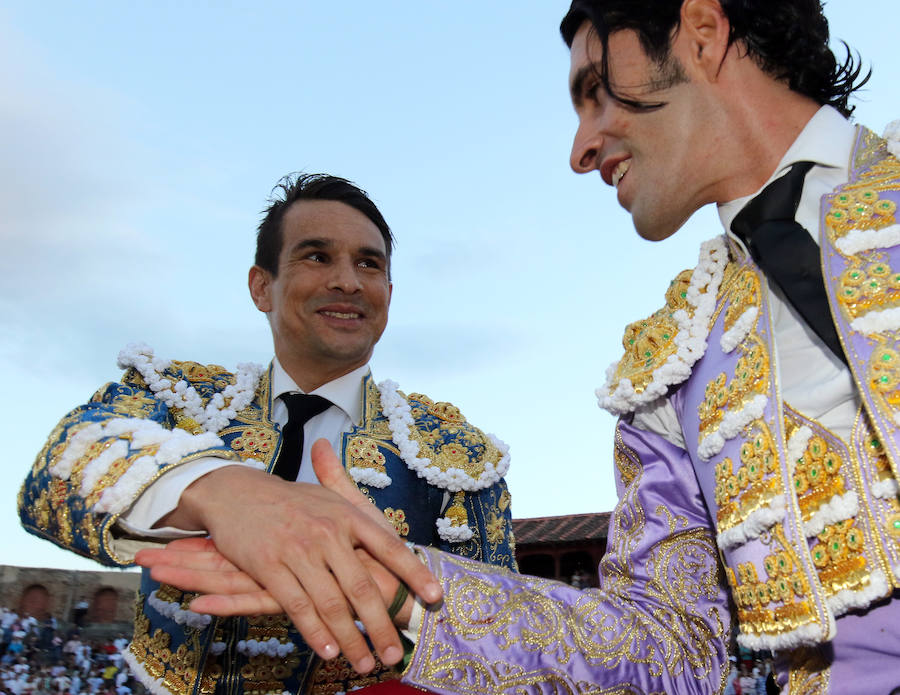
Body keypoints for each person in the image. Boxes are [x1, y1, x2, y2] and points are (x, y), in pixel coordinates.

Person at [139, 1, 900, 693]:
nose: (581, 148)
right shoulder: (673, 363)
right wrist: (407, 589)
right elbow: (671, 650)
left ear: (701, 34)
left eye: (596, 90)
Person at [18, 173, 517, 694]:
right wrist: (217, 491)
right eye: (317, 256)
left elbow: (502, 638)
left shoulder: (451, 450)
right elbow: (53, 478)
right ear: (261, 287)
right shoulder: (179, 396)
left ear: (387, 295)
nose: (348, 281)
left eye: (368, 264)